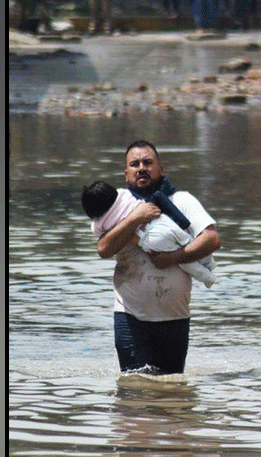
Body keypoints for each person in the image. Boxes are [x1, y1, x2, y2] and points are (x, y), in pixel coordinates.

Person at [94, 140, 221, 375]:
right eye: (135, 164)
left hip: (175, 318)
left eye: (148, 163)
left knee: (172, 395)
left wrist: (174, 257)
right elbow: (103, 248)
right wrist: (135, 218)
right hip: (131, 317)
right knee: (133, 391)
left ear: (161, 170)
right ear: (126, 174)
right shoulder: (116, 207)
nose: (141, 168)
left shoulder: (182, 201)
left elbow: (212, 239)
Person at [83, 180, 216, 288]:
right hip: (162, 221)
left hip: (150, 237)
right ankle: (210, 263)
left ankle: (207, 278)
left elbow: (97, 232)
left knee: (183, 261)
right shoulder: (125, 195)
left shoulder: (103, 223)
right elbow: (103, 249)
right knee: (188, 243)